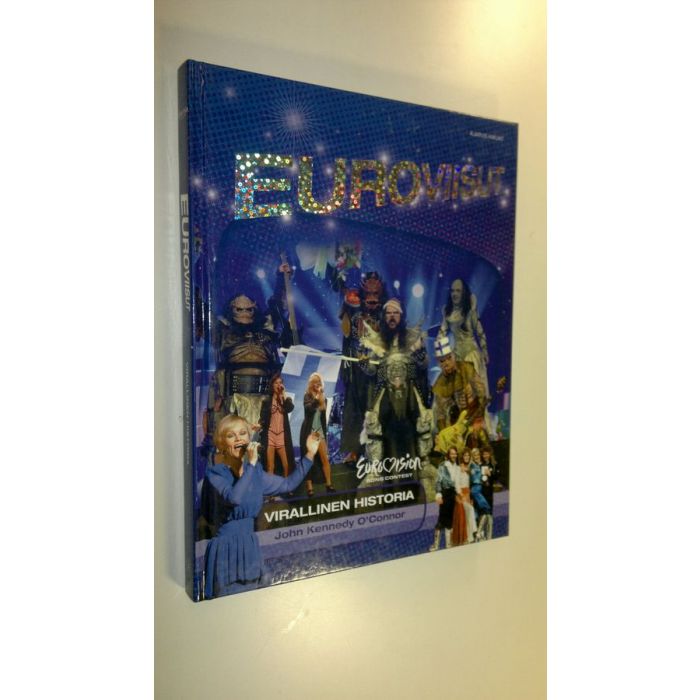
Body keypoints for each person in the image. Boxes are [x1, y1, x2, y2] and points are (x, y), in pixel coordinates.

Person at [200, 415, 321, 599]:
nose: (239, 439)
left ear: (249, 439)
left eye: (243, 433)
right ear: (222, 444)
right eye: (231, 435)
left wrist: (310, 454)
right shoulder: (216, 474)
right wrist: (251, 464)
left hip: (250, 547)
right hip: (227, 551)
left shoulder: (255, 473)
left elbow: (288, 484)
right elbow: (234, 498)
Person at [360, 298, 431, 462]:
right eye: (389, 313)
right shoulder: (377, 340)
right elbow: (371, 370)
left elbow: (424, 364)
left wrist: (420, 358)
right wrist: (364, 365)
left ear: (401, 315)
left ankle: (424, 461)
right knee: (373, 421)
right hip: (385, 390)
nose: (392, 317)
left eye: (395, 313)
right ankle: (376, 466)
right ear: (384, 316)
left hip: (410, 389)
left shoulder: (413, 337)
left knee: (423, 418)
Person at [438, 278, 490, 402]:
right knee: (456, 396)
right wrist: (443, 357)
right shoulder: (448, 312)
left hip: (471, 354)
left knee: (474, 395)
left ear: (464, 293)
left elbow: (479, 330)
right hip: (456, 356)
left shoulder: (470, 309)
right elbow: (442, 333)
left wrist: (484, 351)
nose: (454, 294)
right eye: (452, 291)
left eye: (458, 291)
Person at [432, 336, 486, 431]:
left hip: (475, 416)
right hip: (455, 425)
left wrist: (479, 417)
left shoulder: (467, 368)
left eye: (449, 358)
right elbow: (440, 415)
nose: (447, 363)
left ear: (454, 355)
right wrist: (444, 434)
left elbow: (481, 392)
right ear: (439, 363)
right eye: (442, 361)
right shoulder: (439, 384)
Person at [300, 372, 336, 496]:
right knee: (309, 460)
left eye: (319, 382)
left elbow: (323, 418)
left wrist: (324, 433)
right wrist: (316, 397)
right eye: (314, 382)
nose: (317, 384)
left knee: (325, 458)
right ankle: (309, 488)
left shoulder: (323, 398)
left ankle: (329, 484)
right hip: (309, 432)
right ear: (311, 384)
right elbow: (309, 410)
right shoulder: (307, 396)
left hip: (319, 431)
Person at [259, 373, 295, 479]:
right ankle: (271, 488)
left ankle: (286, 485)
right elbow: (263, 417)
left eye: (280, 383)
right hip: (270, 435)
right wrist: (259, 424)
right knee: (271, 466)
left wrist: (283, 394)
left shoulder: (285, 399)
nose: (278, 385)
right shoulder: (267, 401)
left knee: (286, 465)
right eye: (276, 383)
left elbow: (290, 408)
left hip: (281, 436)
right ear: (272, 385)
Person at [430, 447, 460, 551]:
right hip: (445, 494)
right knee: (441, 520)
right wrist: (439, 495)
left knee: (450, 520)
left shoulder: (457, 467)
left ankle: (448, 544)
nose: (454, 456)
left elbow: (457, 483)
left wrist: (458, 494)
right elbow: (438, 481)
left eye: (455, 454)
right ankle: (436, 545)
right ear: (448, 455)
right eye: (452, 454)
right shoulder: (442, 466)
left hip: (453, 494)